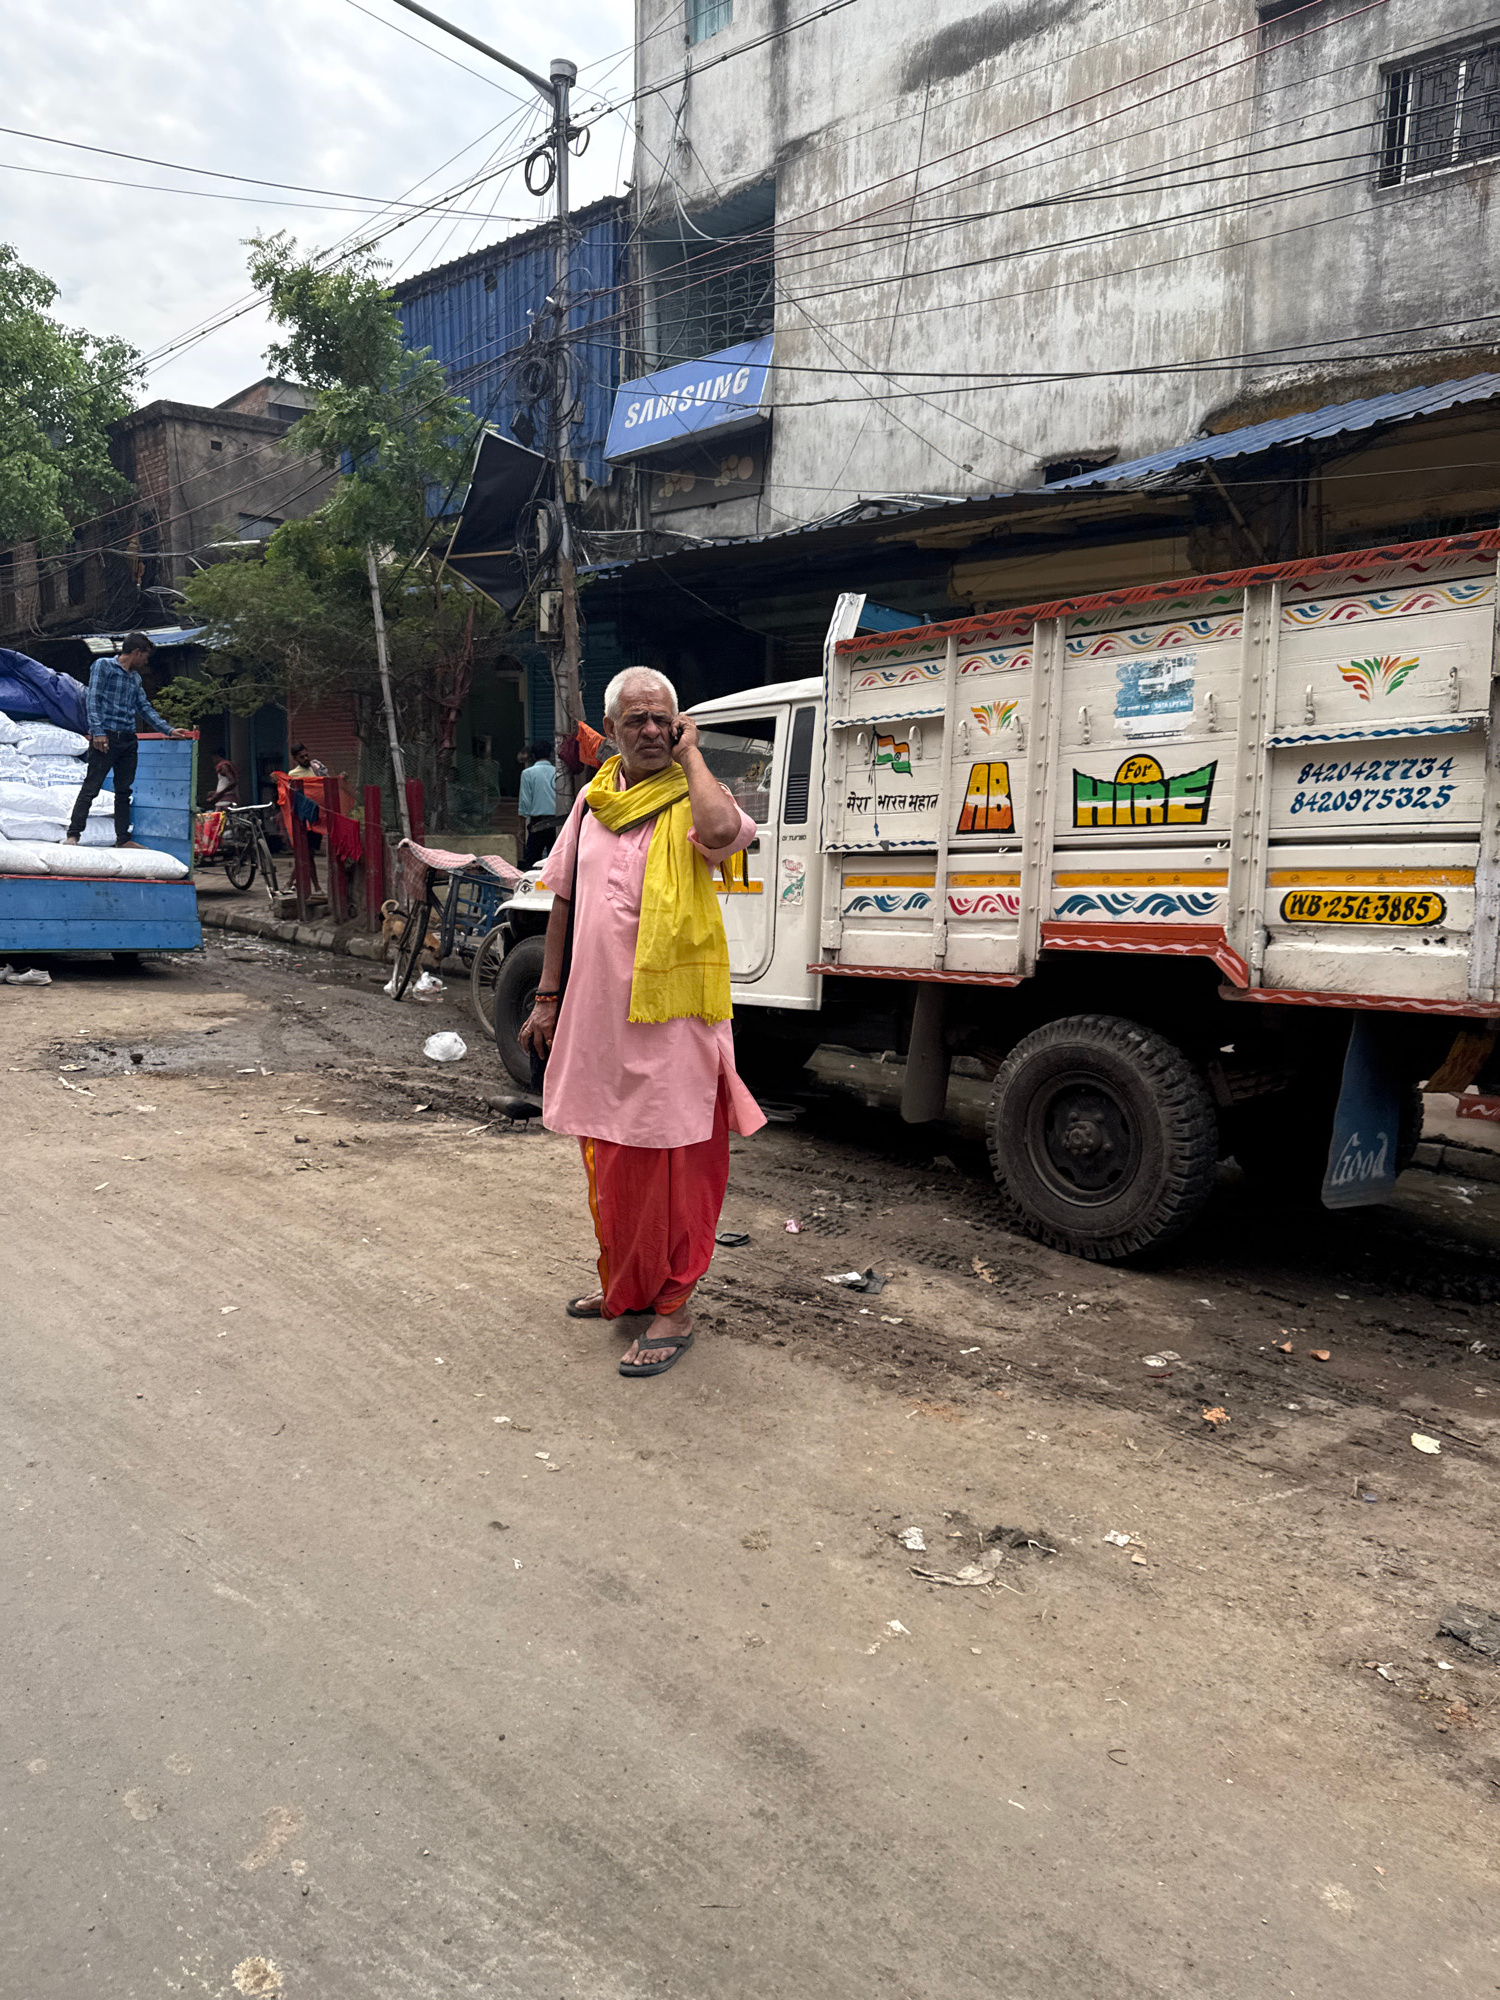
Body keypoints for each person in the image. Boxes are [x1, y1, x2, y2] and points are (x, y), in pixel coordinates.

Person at [519, 667, 766, 1379]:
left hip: (674, 1022)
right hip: (600, 1018)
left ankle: (674, 1307)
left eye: (664, 719)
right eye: (637, 720)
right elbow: (563, 899)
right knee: (612, 1160)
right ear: (612, 731)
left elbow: (723, 835)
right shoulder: (592, 802)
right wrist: (546, 996)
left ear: (679, 725)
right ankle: (626, 1286)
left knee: (676, 1165)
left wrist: (694, 758)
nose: (652, 730)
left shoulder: (697, 795)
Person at [66, 633, 190, 848]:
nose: (146, 662)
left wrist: (168, 730)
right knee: (91, 787)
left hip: (128, 739)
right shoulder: (103, 666)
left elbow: (144, 707)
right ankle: (73, 835)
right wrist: (98, 731)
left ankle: (123, 839)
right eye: (145, 657)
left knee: (124, 791)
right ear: (136, 652)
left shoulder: (135, 678)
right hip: (106, 737)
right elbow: (93, 699)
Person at [517, 740, 560, 868]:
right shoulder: (559, 773)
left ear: (533, 756)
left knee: (532, 862)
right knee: (556, 863)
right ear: (551, 755)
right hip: (556, 823)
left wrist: (521, 829)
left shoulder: (528, 773)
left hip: (537, 824)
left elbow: (524, 804)